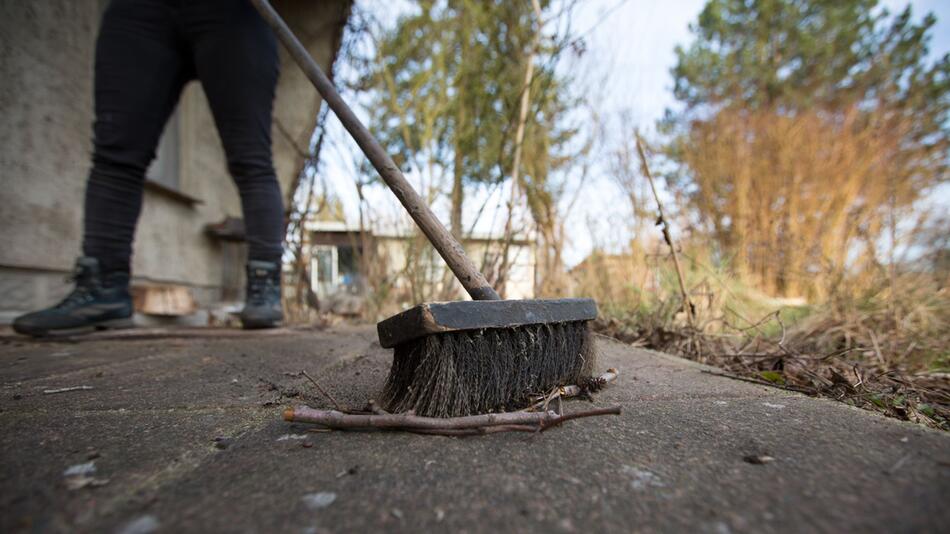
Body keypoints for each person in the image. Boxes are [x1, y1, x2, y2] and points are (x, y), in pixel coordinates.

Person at [13, 0, 285, 336]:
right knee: (116, 153)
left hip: (235, 12)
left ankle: (264, 283)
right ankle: (102, 286)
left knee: (251, 159)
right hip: (139, 9)